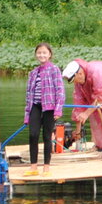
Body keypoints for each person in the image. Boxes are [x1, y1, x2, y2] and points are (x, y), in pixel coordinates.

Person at [24, 43, 65, 176]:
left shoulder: (54, 69)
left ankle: (46, 167)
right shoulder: (33, 73)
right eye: (39, 53)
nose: (42, 55)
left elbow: (60, 91)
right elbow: (29, 95)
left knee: (47, 136)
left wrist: (58, 109)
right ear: (36, 55)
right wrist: (27, 114)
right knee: (33, 135)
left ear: (49, 55)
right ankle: (33, 167)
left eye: (44, 53)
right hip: (35, 106)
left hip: (49, 107)